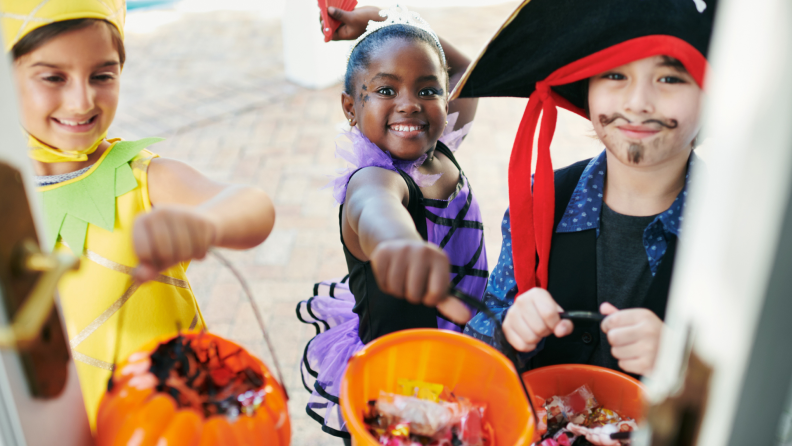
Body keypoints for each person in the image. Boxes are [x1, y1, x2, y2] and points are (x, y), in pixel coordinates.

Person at [2, 0, 275, 427]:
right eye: (53, 77)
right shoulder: (8, 202)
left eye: (102, 75)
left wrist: (205, 222)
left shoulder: (144, 178)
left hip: (172, 426)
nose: (81, 100)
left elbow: (253, 207)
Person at [454, 0, 718, 381]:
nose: (638, 103)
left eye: (670, 78)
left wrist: (684, 366)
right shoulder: (542, 202)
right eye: (614, 75)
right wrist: (509, 330)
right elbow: (480, 348)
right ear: (586, 88)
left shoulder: (738, 229)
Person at [295, 5, 484, 441]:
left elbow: (466, 69)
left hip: (462, 346)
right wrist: (399, 242)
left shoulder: (441, 150)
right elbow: (377, 208)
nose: (409, 105)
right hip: (402, 377)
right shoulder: (374, 180)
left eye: (428, 90)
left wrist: (385, 16)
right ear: (350, 107)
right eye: (385, 90)